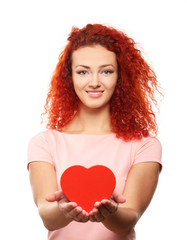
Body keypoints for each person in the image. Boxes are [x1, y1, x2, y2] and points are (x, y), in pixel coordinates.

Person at [27, 23, 162, 240]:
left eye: (106, 71)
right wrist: (63, 211)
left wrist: (110, 213)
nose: (95, 82)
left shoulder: (144, 144)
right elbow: (46, 215)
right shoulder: (44, 143)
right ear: (69, 77)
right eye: (83, 72)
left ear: (121, 76)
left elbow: (129, 218)